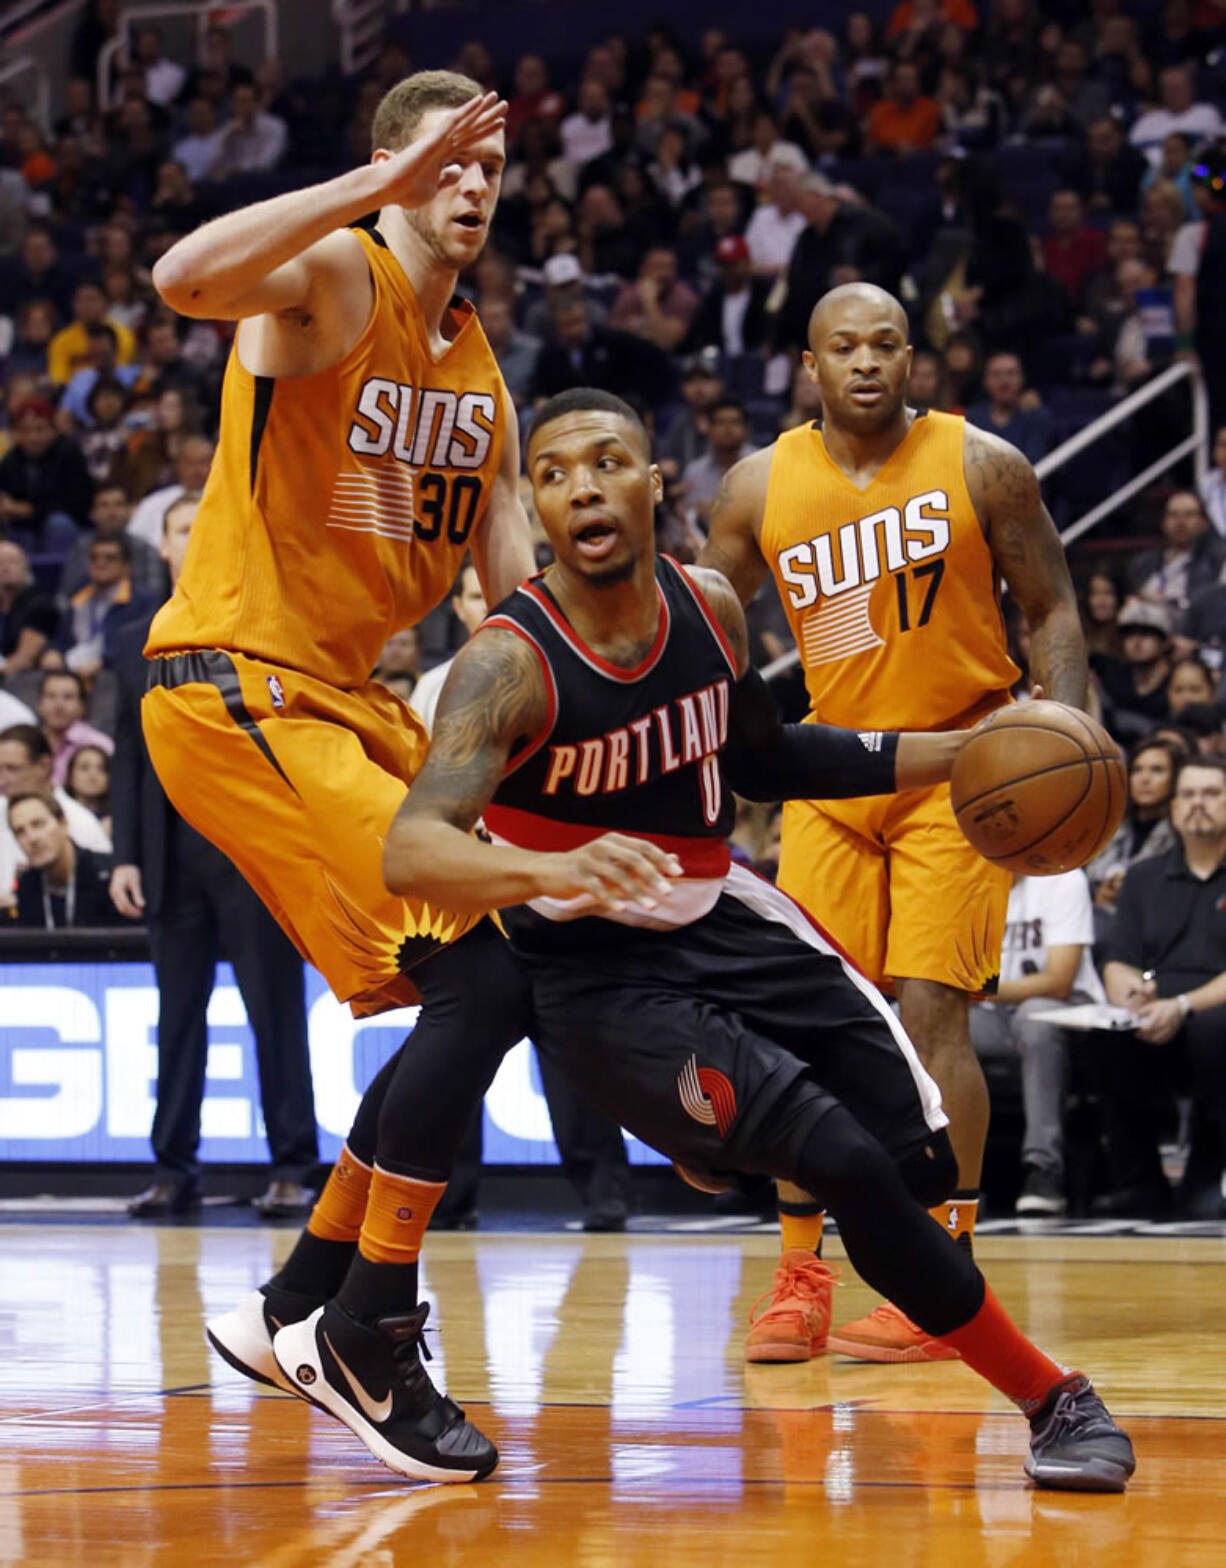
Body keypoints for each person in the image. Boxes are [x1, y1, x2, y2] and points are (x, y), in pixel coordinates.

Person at [291, 384, 1134, 1492]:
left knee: (913, 1162)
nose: (580, 485)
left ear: (654, 484)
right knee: (832, 1154)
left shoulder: (710, 609)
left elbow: (765, 761)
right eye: (551, 472)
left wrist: (968, 749)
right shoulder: (509, 661)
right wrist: (551, 868)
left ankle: (720, 1143)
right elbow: (413, 850)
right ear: (538, 508)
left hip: (722, 910)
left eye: (604, 461)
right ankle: (1051, 1395)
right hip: (589, 968)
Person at [145, 72, 537, 1480]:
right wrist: (381, 184)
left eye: (493, 166)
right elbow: (184, 274)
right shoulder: (331, 275)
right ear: (392, 165)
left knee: (495, 976)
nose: (475, 185)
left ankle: (303, 1302)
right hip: (234, 681)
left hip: (355, 710)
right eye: (449, 161)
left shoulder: (481, 372)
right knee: (478, 978)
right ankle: (365, 1330)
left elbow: (518, 612)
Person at [700, 282, 1087, 1364]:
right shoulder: (754, 486)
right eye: (842, 347)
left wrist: (1065, 733)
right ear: (807, 366)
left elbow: (1049, 607)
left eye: (884, 344)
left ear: (913, 359)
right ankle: (799, 1275)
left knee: (928, 1014)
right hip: (831, 765)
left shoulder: (981, 462)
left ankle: (940, 1272)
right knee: (794, 1031)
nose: (864, 362)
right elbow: (696, 625)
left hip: (965, 766)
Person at [111, 492, 318, 1219]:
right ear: (163, 547)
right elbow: (128, 761)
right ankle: (173, 1167)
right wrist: (125, 857)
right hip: (169, 856)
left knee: (276, 1015)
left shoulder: (259, 628)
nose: (191, 537)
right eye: (177, 529)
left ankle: (293, 1164)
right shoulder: (129, 635)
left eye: (203, 526)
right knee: (178, 1019)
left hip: (250, 853)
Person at [412, 558, 632, 1230]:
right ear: (457, 607)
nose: (488, 606)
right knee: (457, 1041)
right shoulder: (429, 688)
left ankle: (604, 1190)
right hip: (465, 882)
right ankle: (446, 1196)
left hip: (547, 874)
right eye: (475, 596)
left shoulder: (563, 668)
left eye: (497, 593)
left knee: (572, 1037)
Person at [1100, 757, 1226, 1217]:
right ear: (1173, 810)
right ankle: (1140, 1185)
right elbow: (1118, 961)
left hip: (1211, 1010)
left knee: (1216, 1032)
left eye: (1211, 794)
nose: (1199, 805)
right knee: (1108, 1037)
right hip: (1156, 1012)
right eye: (1189, 795)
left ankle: (1207, 1174)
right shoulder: (1142, 877)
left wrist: (1183, 1006)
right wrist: (1130, 995)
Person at [970, 870, 1105, 1216]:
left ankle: (1043, 1170)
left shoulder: (1062, 877)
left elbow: (1059, 980)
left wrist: (973, 989)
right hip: (993, 1014)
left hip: (1069, 1012)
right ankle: (951, 1177)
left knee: (1034, 1020)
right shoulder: (966, 880)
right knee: (937, 1026)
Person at [0, 722, 111, 910]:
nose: (2, 779)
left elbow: (104, 885)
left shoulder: (81, 822)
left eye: (12, 768)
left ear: (44, 765)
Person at [1086, 737, 1180, 937]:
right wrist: (1100, 894)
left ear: (1177, 778)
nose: (1144, 779)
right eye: (1137, 770)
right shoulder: (1109, 826)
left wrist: (1129, 888)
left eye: (1157, 770)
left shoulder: (1182, 835)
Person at [9, 790, 120, 928]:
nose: (31, 838)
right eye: (20, 832)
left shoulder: (108, 876)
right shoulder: (27, 888)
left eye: (38, 824)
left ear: (63, 823)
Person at [1096, 600, 1174, 742]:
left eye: (1146, 633)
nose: (1136, 642)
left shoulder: (1176, 680)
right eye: (1130, 634)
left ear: (1164, 642)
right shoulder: (1113, 676)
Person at [965, 352, 1053, 465]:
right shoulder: (971, 419)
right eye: (996, 375)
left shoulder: (1037, 417)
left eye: (1010, 374)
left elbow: (1033, 464)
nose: (1004, 381)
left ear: (1022, 378)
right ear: (985, 382)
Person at [37, 668, 112, 785]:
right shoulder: (27, 744)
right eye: (51, 696)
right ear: (39, 704)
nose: (59, 705)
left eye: (68, 697)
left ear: (82, 706)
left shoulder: (101, 745)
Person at [0, 540, 58, 674]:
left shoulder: (40, 605)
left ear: (26, 567)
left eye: (12, 562)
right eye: (0, 562)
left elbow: (23, 659)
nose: (5, 568)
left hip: (20, 680)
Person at [65, 742, 111, 832]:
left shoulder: (117, 818)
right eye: (84, 768)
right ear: (70, 776)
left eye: (101, 768)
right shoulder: (60, 815)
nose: (93, 776)